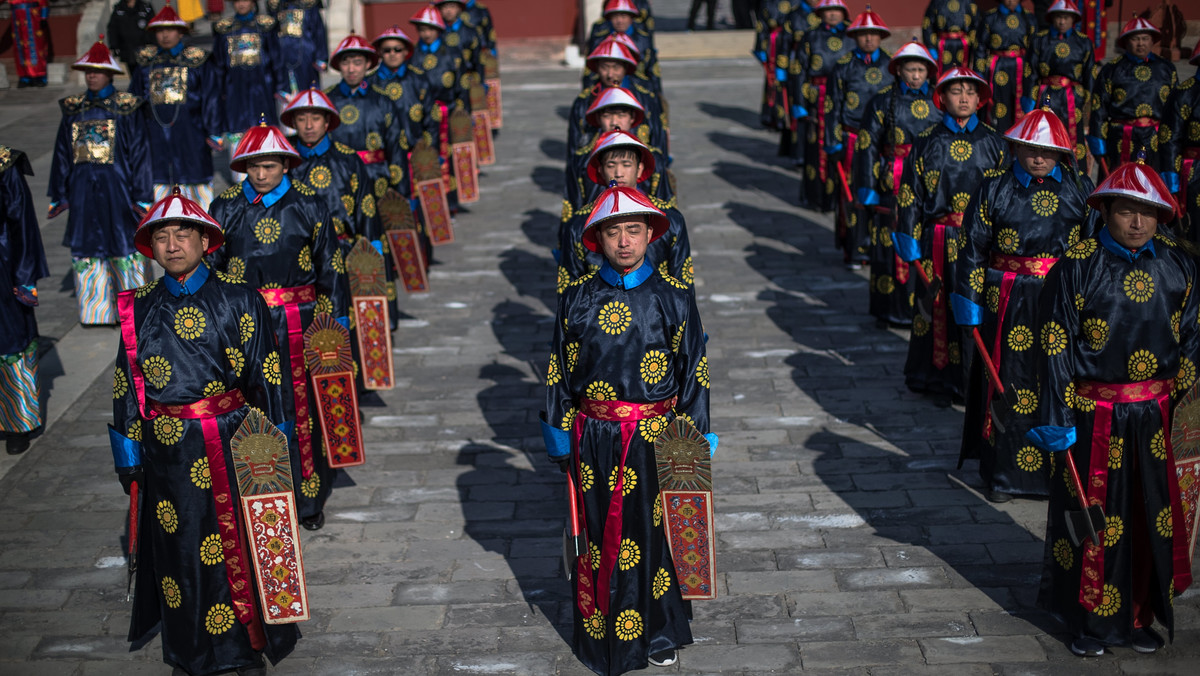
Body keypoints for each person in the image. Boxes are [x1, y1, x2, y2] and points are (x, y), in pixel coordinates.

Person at [109, 188, 299, 675]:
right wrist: (129, 457)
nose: (173, 245)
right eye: (162, 237)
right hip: (167, 451)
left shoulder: (239, 299)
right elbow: (126, 386)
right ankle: (187, 651)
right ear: (150, 248)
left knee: (239, 542)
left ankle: (242, 648)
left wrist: (276, 452)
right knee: (178, 553)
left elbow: (268, 377)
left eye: (183, 234)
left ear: (205, 241)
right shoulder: (138, 308)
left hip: (232, 440)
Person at [543, 183, 713, 674]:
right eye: (613, 232)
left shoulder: (675, 298)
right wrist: (560, 439)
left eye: (633, 231)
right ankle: (601, 636)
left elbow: (695, 370)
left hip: (655, 435)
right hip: (593, 438)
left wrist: (696, 437)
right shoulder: (575, 298)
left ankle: (659, 631)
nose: (624, 242)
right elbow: (558, 371)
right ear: (597, 238)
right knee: (598, 538)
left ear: (649, 235)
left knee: (654, 536)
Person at [1028, 158, 1194, 657]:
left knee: (1149, 517)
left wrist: (1181, 409)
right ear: (1106, 211)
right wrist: (1056, 419)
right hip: (1094, 415)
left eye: (1148, 212)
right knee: (1092, 520)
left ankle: (1141, 616)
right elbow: (1054, 344)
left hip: (1155, 414)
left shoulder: (1180, 263)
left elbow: (1193, 338)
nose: (1137, 222)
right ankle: (1089, 623)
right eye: (1127, 211)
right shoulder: (1076, 267)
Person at [207, 123, 350, 531]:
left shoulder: (308, 204)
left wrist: (334, 325)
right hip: (244, 325)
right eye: (252, 165)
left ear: (285, 164)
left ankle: (307, 499)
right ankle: (256, 495)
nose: (260, 173)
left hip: (298, 321)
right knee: (250, 406)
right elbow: (212, 268)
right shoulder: (226, 207)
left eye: (268, 165)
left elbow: (331, 267)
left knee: (301, 408)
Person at [953, 105, 1096, 503]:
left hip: (1063, 299)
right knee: (1009, 378)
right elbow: (973, 248)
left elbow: (1093, 248)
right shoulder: (994, 186)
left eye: (1047, 150)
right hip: (1008, 297)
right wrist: (969, 300)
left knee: (1060, 380)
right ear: (1015, 147)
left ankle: (1059, 479)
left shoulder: (1079, 188)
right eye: (1029, 147)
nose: (1038, 156)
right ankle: (1004, 477)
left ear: (1062, 152)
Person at [895, 66, 1008, 403]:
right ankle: (936, 379)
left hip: (979, 243)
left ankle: (972, 382)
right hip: (938, 237)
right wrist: (909, 238)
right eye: (956, 91)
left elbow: (1004, 197)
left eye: (970, 92)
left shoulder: (994, 143)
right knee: (935, 306)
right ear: (941, 98)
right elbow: (909, 194)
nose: (963, 98)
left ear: (980, 99)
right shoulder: (927, 142)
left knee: (975, 309)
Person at [49, 40, 153, 326]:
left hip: (119, 189)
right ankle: (97, 312)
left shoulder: (127, 108)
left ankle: (135, 307)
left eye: (97, 71)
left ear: (110, 74)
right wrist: (59, 191)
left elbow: (141, 153)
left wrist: (142, 194)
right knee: (87, 246)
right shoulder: (74, 109)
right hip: (83, 190)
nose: (92, 76)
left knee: (125, 244)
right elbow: (61, 153)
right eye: (88, 71)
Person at [854, 39, 938, 327]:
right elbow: (866, 146)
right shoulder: (881, 101)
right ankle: (888, 309)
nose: (916, 75)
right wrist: (867, 189)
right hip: (892, 181)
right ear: (898, 70)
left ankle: (922, 309)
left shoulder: (938, 102)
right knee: (887, 248)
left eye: (921, 70)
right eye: (911, 69)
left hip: (928, 185)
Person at [558, 130, 691, 293]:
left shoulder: (670, 218)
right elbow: (568, 289)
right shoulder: (579, 223)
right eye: (611, 165)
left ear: (640, 169)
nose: (618, 173)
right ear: (600, 170)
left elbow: (683, 285)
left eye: (626, 165)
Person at [129, 3, 223, 208]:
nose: (164, 35)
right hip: (156, 137)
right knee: (160, 188)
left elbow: (211, 97)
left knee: (197, 185)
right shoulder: (146, 65)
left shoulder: (197, 62)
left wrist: (214, 131)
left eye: (170, 29)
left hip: (192, 133)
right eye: (160, 30)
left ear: (181, 32)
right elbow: (134, 102)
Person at [826, 6, 891, 268]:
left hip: (882, 143)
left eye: (873, 34)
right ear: (854, 36)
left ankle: (878, 248)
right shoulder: (842, 67)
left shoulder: (891, 66)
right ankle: (854, 248)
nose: (868, 39)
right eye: (863, 34)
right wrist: (833, 141)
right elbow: (832, 106)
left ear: (880, 36)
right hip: (852, 138)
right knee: (851, 197)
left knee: (880, 194)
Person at [0, 146, 49, 456]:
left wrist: (24, 276)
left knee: (11, 340)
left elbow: (22, 223)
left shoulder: (5, 164)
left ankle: (18, 421)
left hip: (3, 269)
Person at [1088, 16, 1177, 176]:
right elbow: (1099, 108)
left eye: (1145, 38)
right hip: (1120, 137)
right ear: (1126, 41)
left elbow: (1175, 109)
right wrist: (1097, 140)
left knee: (1152, 185)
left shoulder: (1167, 69)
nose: (1141, 43)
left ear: (1152, 41)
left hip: (1154, 138)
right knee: (1118, 184)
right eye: (1135, 39)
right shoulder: (1112, 69)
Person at [323, 34, 401, 210]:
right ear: (338, 66)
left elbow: (396, 146)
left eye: (357, 63)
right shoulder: (326, 101)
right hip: (338, 177)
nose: (351, 69)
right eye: (345, 63)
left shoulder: (383, 101)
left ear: (367, 64)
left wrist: (400, 189)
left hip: (377, 175)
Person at [788, 0, 850, 212]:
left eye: (836, 11)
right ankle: (815, 197)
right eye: (828, 11)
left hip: (844, 100)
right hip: (817, 98)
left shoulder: (852, 35)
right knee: (815, 148)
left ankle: (839, 199)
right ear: (821, 13)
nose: (832, 15)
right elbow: (799, 70)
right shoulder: (811, 36)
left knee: (842, 148)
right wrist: (799, 103)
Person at [1021, 0, 1095, 165]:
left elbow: (1089, 74)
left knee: (1073, 137)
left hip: (1072, 96)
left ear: (1073, 19)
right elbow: (1030, 71)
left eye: (1066, 17)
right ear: (1051, 18)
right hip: (1046, 94)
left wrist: (1087, 101)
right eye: (1058, 17)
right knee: (1044, 134)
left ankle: (1075, 175)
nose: (1062, 21)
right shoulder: (1040, 39)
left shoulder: (1083, 42)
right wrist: (1029, 99)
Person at [213, 0, 282, 146]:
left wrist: (280, 85)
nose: (241, 4)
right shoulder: (224, 29)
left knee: (265, 131)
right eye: (237, 1)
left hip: (262, 87)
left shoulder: (265, 26)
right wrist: (220, 90)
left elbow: (276, 58)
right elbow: (218, 64)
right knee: (238, 135)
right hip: (234, 90)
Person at [1161, 45, 1200, 242]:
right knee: (1192, 230)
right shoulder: (1186, 93)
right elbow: (1169, 139)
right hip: (1193, 173)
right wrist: (1172, 183)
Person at [587, 0, 660, 94]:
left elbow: (652, 69)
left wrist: (657, 93)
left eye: (624, 16)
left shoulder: (643, 39)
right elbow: (589, 71)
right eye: (615, 16)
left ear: (631, 18)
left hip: (636, 89)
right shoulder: (599, 37)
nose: (620, 21)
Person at [753, 0, 799, 131]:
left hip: (795, 45)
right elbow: (761, 24)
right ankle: (773, 116)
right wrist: (760, 47)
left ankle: (792, 117)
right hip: (775, 43)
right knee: (773, 80)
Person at [266, 0, 327, 95]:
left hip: (306, 58)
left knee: (309, 94)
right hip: (283, 60)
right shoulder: (276, 6)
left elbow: (318, 31)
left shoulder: (310, 4)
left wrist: (321, 57)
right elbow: (272, 36)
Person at [921, 0, 980, 75]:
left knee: (961, 74)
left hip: (963, 45)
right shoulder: (936, 2)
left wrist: (973, 46)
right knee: (942, 74)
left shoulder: (968, 2)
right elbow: (927, 24)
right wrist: (930, 46)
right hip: (942, 44)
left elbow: (977, 25)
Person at [107, 0, 156, 75]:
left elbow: (153, 28)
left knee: (146, 75)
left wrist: (154, 45)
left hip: (145, 50)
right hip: (128, 51)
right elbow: (113, 29)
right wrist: (113, 46)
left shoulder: (146, 8)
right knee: (134, 75)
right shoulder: (119, 9)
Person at [9, 0, 50, 88]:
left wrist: (43, 17)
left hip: (33, 18)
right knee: (20, 49)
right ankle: (24, 77)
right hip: (16, 18)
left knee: (37, 47)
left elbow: (44, 3)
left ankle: (39, 77)